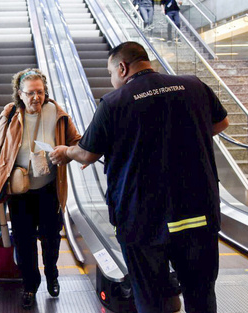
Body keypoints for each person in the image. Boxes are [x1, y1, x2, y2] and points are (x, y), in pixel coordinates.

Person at [50, 42, 229, 313]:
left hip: (143, 220)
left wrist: (65, 151)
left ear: (122, 67)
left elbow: (86, 154)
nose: (112, 80)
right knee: (201, 296)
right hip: (198, 212)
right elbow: (221, 123)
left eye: (111, 73)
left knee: (149, 299)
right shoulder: (193, 85)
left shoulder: (114, 103)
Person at [0, 68, 81, 309]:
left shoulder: (57, 113)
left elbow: (76, 141)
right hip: (19, 193)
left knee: (51, 239)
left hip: (49, 189)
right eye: (30, 93)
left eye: (40, 92)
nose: (35, 98)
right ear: (19, 94)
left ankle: (52, 274)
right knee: (24, 242)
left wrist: (69, 154)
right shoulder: (10, 114)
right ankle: (30, 285)